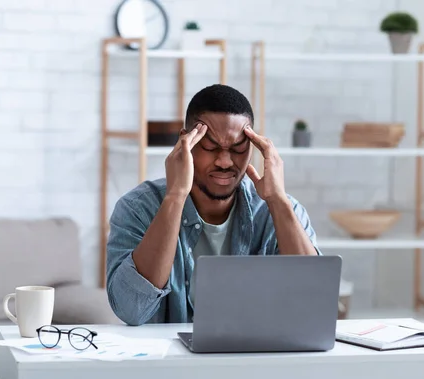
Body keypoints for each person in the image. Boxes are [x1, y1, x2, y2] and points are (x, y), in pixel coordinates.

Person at [106, 84, 321, 326]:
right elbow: (129, 310)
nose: (225, 161)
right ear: (185, 143)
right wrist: (175, 196)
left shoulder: (280, 210)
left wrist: (278, 201)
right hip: (168, 362)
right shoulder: (138, 208)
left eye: (238, 149)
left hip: (256, 360)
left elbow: (312, 305)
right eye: (210, 147)